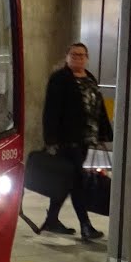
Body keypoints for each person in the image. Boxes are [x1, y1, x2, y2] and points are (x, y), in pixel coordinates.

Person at [41, 42, 112, 241]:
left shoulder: (89, 78)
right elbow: (51, 111)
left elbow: (97, 107)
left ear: (87, 58)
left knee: (68, 181)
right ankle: (85, 225)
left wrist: (103, 133)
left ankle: (52, 219)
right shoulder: (60, 79)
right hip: (68, 140)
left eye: (81, 55)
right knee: (77, 182)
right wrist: (51, 139)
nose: (78, 58)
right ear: (67, 57)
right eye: (74, 55)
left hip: (87, 139)